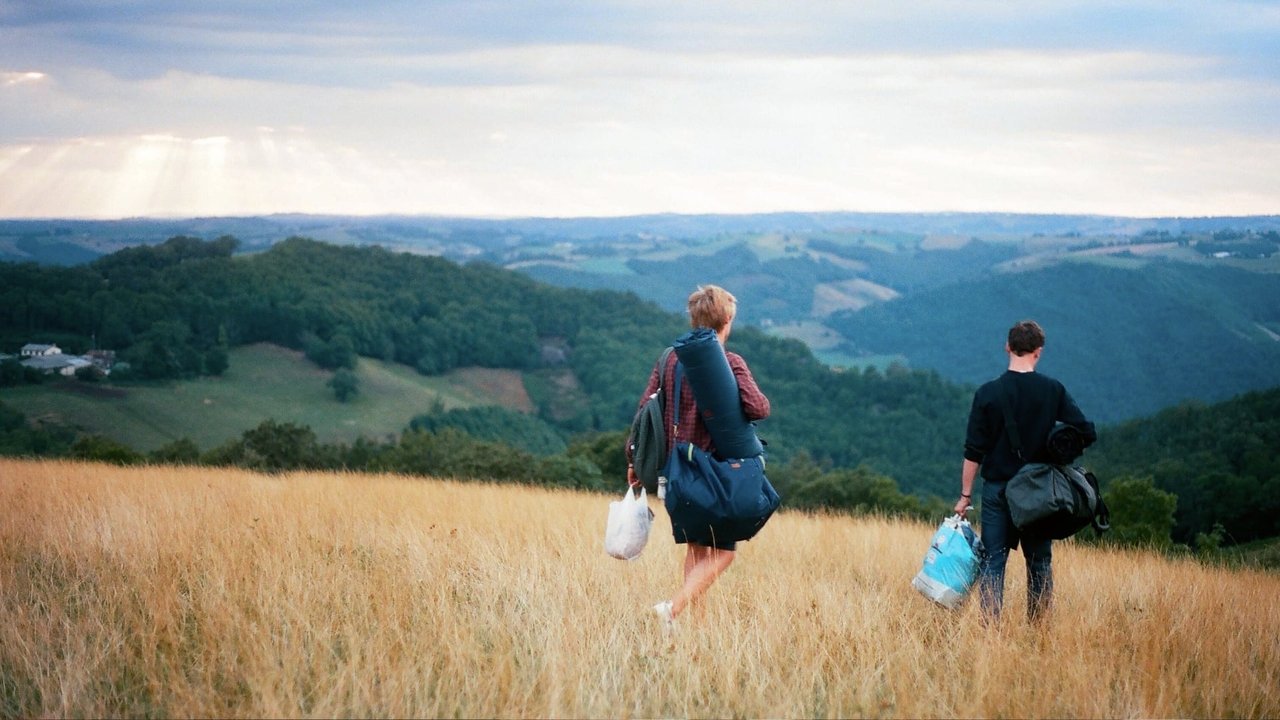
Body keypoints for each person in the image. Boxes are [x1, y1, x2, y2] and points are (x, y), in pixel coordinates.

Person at [626, 285, 770, 634]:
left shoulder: (669, 359)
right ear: (727, 319)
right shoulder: (731, 362)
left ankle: (694, 631)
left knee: (697, 552)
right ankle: (671, 609)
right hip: (714, 476)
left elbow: (646, 411)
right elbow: (759, 408)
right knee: (725, 553)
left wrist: (633, 459)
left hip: (675, 475)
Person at [953, 320, 1096, 623]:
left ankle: (991, 634)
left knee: (993, 561)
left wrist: (965, 495)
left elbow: (973, 451)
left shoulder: (987, 393)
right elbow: (1085, 431)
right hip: (1040, 492)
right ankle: (1039, 631)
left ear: (1007, 347)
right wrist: (1057, 448)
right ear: (1038, 352)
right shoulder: (1052, 390)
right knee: (1039, 562)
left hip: (997, 490)